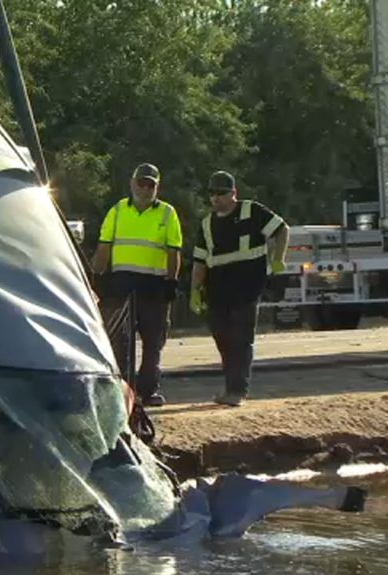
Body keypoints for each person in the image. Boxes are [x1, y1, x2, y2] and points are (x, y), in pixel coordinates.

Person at [189, 170, 289, 407]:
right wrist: (194, 290)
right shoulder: (207, 224)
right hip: (217, 292)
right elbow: (199, 261)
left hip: (246, 288)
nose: (216, 198)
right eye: (212, 194)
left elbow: (282, 229)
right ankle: (230, 388)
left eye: (221, 194)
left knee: (241, 340)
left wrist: (278, 258)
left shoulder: (252, 211)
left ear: (234, 193)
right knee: (223, 340)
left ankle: (237, 391)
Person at [91, 163, 182, 407]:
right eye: (141, 183)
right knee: (121, 343)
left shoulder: (167, 213)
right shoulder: (118, 211)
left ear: (156, 187)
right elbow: (103, 248)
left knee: (153, 344)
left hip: (154, 288)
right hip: (123, 287)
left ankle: (149, 391)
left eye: (150, 184)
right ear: (132, 183)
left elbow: (174, 252)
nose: (145, 188)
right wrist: (95, 277)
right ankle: (123, 394)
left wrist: (172, 282)